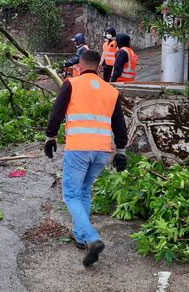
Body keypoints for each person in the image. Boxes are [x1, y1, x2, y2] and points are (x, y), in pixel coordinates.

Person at [44, 49, 128, 266]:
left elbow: (56, 112)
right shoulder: (111, 90)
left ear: (79, 66)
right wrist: (121, 151)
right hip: (101, 151)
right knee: (84, 191)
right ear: (99, 67)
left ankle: (91, 238)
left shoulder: (71, 84)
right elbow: (119, 124)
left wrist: (50, 137)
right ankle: (80, 237)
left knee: (71, 194)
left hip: (78, 149)